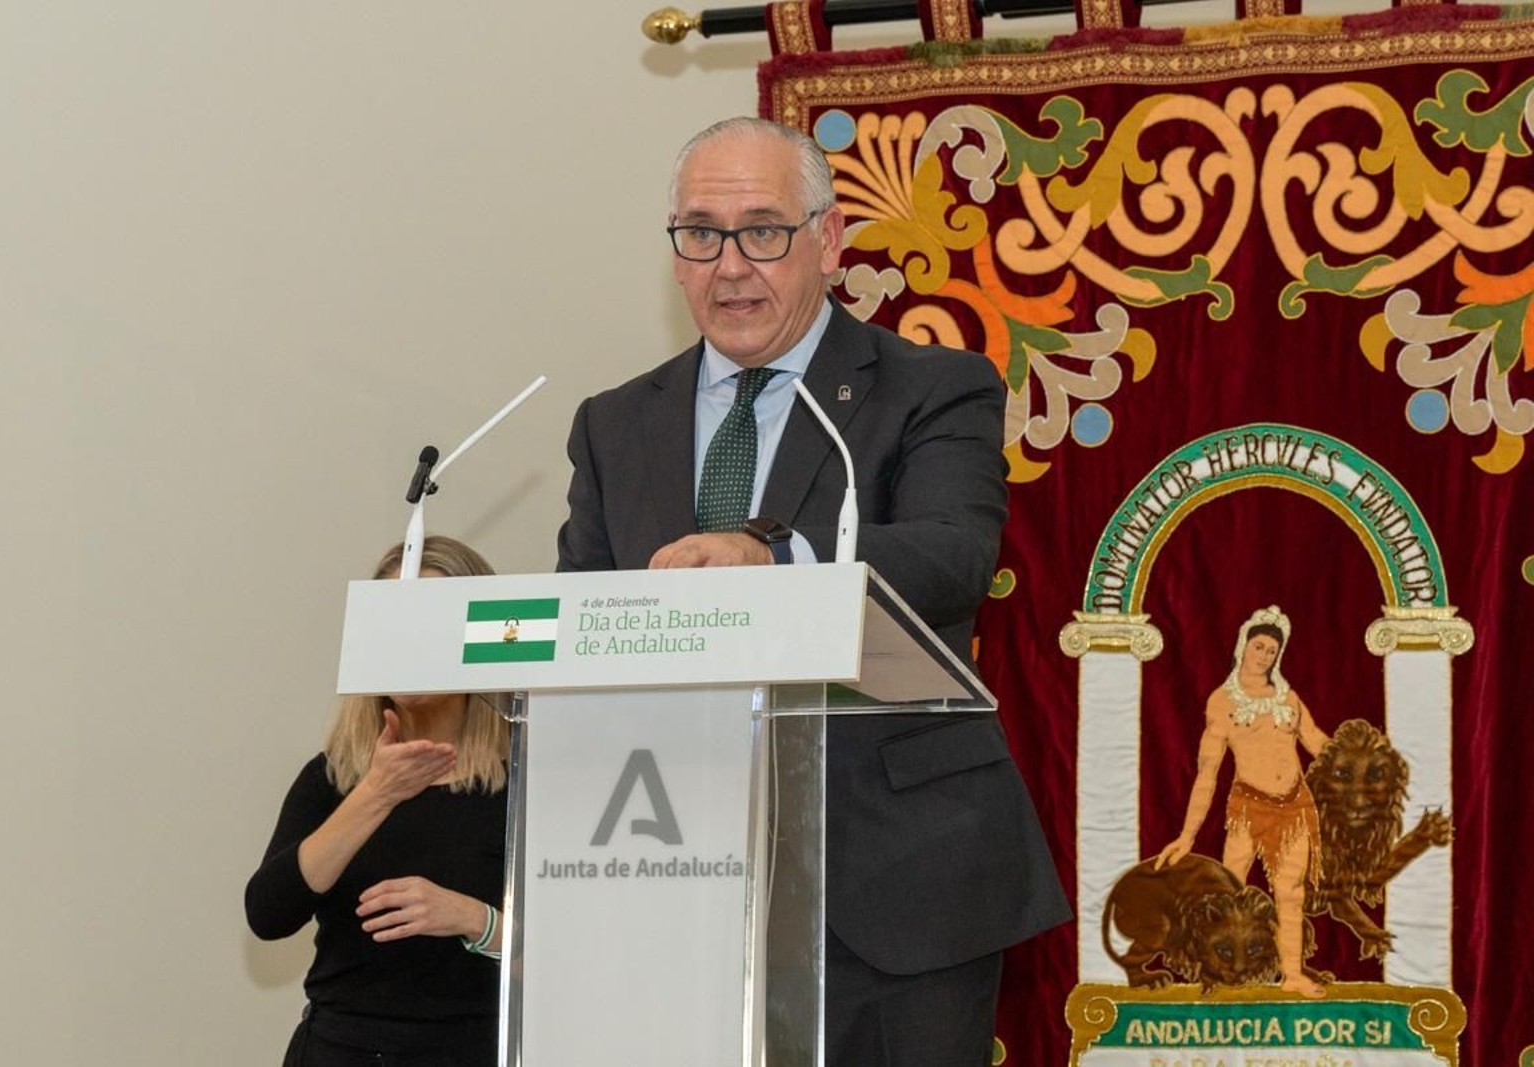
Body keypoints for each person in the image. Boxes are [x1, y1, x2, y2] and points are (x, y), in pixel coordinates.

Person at [556, 116, 1070, 1067]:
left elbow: (952, 555)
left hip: (897, 878)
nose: (731, 265)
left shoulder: (930, 388)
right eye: (700, 233)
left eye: (762, 230)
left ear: (829, 241)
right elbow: (582, 622)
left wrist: (773, 559)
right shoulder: (615, 423)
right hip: (676, 871)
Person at [246, 536, 511, 1066]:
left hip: (469, 1050)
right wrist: (376, 792)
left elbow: (576, 954)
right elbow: (269, 914)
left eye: (430, 623)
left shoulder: (520, 784)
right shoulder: (333, 778)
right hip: (338, 1050)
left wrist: (472, 918)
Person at [1156, 604, 1330, 997]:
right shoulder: (1222, 701)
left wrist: (1354, 759)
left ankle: (1293, 975)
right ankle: (1215, 973)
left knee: (1292, 891)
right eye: (1259, 646)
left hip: (1295, 805)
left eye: (1272, 650)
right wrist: (1187, 835)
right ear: (1244, 646)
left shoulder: (1288, 696)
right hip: (1249, 807)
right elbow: (1207, 772)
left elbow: (1316, 740)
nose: (1264, 655)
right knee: (1229, 889)